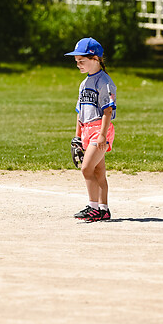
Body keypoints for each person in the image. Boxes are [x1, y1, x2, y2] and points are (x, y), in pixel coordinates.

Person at [65, 37, 117, 222]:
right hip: (87, 130)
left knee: (86, 168)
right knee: (98, 172)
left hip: (99, 130)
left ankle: (93, 207)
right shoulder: (83, 83)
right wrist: (77, 137)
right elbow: (79, 112)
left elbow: (107, 110)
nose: (78, 64)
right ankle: (103, 209)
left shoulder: (104, 81)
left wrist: (103, 135)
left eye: (81, 61)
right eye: (76, 61)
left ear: (95, 58)